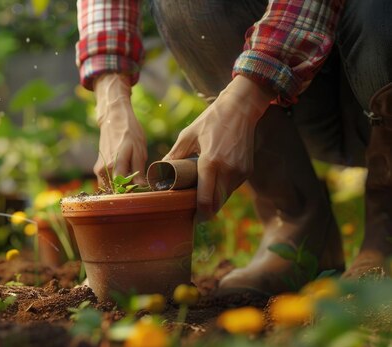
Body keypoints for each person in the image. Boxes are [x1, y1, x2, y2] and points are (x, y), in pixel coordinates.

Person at [76, 0, 392, 295]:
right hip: (300, 89)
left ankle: (386, 236)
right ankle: (299, 228)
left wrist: (245, 98)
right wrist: (111, 101)